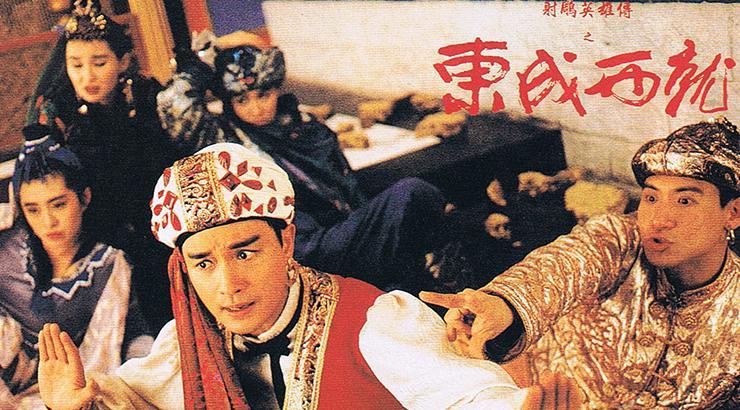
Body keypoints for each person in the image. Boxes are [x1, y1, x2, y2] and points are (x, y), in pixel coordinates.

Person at [36, 143, 581, 410]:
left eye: (245, 253)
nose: (227, 285)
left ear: (287, 242)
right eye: (203, 263)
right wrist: (80, 405)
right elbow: (134, 396)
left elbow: (464, 395)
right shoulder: (191, 342)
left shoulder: (374, 322)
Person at [420, 117, 739, 409]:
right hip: (531, 393)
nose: (658, 219)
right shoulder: (620, 239)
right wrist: (505, 306)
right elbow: (563, 264)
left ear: (733, 213)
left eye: (685, 200)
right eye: (651, 197)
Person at [157, 31, 450, 291]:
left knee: (412, 238)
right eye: (242, 100)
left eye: (263, 95)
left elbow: (348, 189)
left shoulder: (307, 125)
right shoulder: (225, 141)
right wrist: (205, 57)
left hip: (340, 233)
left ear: (276, 90)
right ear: (229, 103)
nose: (256, 108)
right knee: (410, 193)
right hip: (298, 251)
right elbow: (173, 104)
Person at [26, 0, 178, 331]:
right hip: (98, 237)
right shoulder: (59, 113)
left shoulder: (147, 97)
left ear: (123, 61)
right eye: (76, 65)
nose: (87, 76)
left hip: (158, 225)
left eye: (99, 62)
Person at [0, 126, 153, 408]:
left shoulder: (109, 265)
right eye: (33, 209)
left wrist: (144, 372)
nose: (48, 221)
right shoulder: (6, 251)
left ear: (84, 198)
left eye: (58, 205)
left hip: (74, 391)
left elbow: (135, 333)